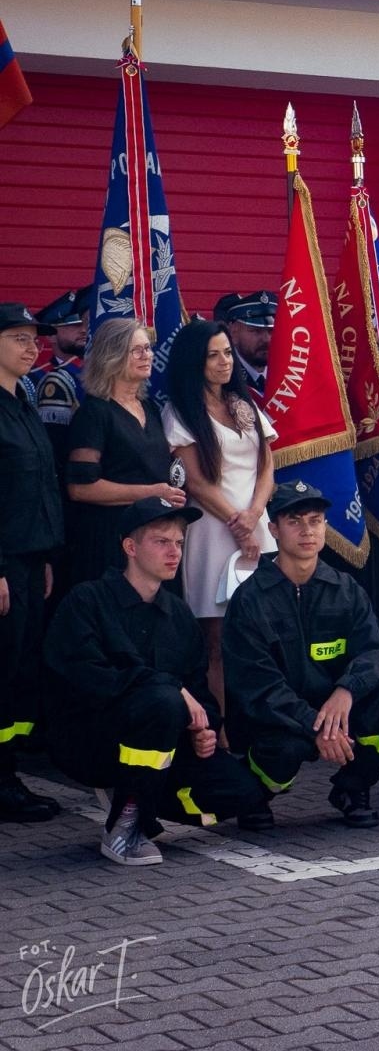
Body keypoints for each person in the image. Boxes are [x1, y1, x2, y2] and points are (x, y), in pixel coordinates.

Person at [44, 498, 266, 864]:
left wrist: (206, 728)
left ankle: (140, 793)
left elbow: (198, 687)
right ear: (130, 548)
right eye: (161, 542)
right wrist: (171, 690)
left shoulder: (178, 614)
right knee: (162, 702)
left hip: (164, 741)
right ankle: (126, 826)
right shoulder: (87, 601)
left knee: (242, 793)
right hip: (89, 739)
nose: (174, 552)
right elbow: (84, 679)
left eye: (179, 543)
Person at [222, 482, 379, 829]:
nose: (307, 530)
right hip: (277, 719)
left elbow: (375, 654)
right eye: (295, 521)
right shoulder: (250, 600)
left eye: (316, 520)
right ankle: (256, 793)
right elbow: (257, 686)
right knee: (283, 751)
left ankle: (352, 789)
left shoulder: (345, 589)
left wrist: (347, 691)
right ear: (274, 530)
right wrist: (317, 727)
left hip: (334, 710)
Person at [162, 319, 276, 705]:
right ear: (195, 361)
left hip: (255, 528)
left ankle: (258, 722)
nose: (224, 362)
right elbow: (194, 482)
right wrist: (238, 524)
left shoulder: (243, 405)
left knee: (261, 635)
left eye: (227, 352)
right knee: (217, 638)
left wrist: (255, 514)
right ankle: (223, 728)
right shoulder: (180, 411)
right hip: (213, 533)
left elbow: (267, 466)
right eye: (213, 355)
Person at [0, 303, 66, 822]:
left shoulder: (21, 401)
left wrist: (43, 557)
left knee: (20, 670)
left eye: (34, 340)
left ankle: (8, 773)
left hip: (29, 560)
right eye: (19, 338)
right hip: (5, 562)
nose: (32, 348)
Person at [65, 318, 186, 589]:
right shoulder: (94, 413)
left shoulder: (151, 409)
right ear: (112, 356)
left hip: (152, 541)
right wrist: (151, 492)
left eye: (148, 348)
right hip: (110, 541)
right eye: (137, 350)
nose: (148, 356)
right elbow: (80, 488)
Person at [31, 287, 91, 463]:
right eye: (73, 325)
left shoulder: (94, 370)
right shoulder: (35, 376)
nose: (83, 330)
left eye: (84, 324)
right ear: (51, 336)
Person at [224, 290, 277, 401]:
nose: (266, 339)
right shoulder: (223, 376)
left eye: (272, 331)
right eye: (256, 331)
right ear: (233, 332)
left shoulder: (292, 373)